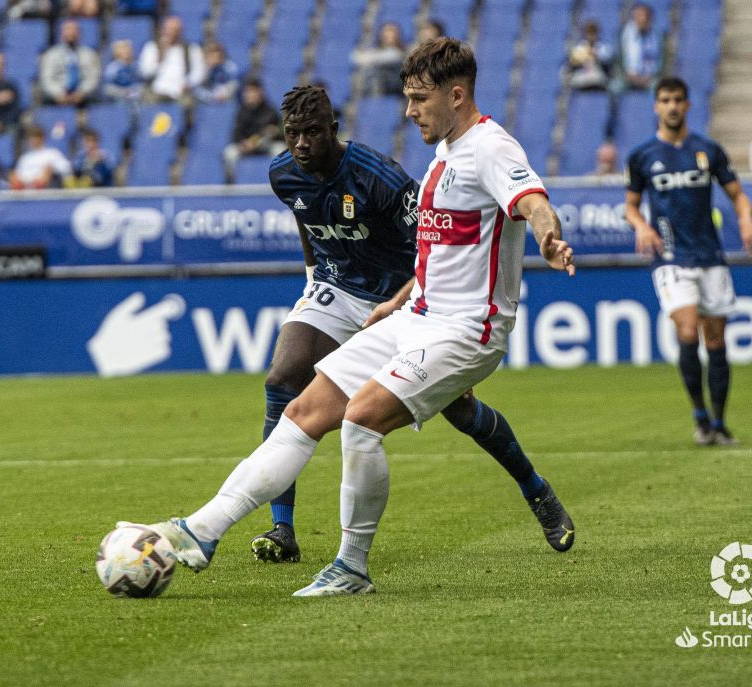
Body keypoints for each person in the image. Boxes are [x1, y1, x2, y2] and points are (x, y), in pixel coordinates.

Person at [119, 39, 576, 596]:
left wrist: (549, 234)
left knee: (361, 418)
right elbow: (433, 250)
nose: (409, 112)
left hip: (466, 329)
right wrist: (400, 300)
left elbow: (531, 199)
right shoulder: (445, 156)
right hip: (416, 313)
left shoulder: (489, 148)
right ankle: (201, 531)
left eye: (418, 99)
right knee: (304, 407)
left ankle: (352, 567)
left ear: (456, 96)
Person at [248, 84, 574, 564]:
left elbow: (427, 245)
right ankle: (282, 529)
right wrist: (313, 277)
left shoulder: (380, 177)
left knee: (460, 411)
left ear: (333, 130)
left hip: (403, 294)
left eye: (312, 133)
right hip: (337, 288)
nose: (301, 144)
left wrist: (411, 303)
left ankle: (535, 487)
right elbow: (307, 218)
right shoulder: (283, 174)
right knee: (283, 378)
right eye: (292, 134)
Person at [624, 76, 752, 446]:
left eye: (678, 100)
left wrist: (746, 219)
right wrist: (641, 225)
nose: (672, 106)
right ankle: (700, 417)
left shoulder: (708, 151)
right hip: (671, 257)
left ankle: (719, 423)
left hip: (710, 255)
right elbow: (630, 206)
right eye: (665, 100)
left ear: (687, 105)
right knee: (688, 331)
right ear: (656, 106)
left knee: (716, 340)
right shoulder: (642, 156)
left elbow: (738, 195)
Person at [222, 78, 282, 183]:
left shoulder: (270, 111)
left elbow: (280, 133)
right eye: (247, 92)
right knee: (229, 152)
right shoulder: (241, 111)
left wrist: (273, 133)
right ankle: (230, 184)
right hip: (245, 146)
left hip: (265, 145)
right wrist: (243, 143)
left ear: (260, 92)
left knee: (280, 150)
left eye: (252, 91)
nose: (249, 95)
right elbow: (236, 134)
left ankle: (280, 183)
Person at [137, 15, 205, 103]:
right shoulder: (151, 47)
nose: (172, 33)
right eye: (169, 29)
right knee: (146, 100)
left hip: (181, 91)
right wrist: (160, 56)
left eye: (175, 30)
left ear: (181, 31)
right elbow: (145, 72)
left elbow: (199, 72)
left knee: (189, 102)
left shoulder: (192, 49)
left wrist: (189, 83)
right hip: (157, 90)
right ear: (163, 30)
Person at [39, 19, 101, 107]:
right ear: (61, 34)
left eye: (74, 30)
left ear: (79, 34)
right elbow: (47, 79)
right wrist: (59, 94)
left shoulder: (89, 54)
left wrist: (81, 93)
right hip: (57, 97)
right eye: (67, 30)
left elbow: (93, 78)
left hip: (83, 97)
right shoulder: (51, 54)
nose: (71, 33)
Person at [613, 3, 662, 92]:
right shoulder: (624, 35)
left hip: (650, 78)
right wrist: (627, 75)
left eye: (645, 16)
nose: (642, 19)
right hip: (628, 78)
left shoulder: (658, 36)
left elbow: (662, 61)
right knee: (614, 88)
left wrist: (651, 76)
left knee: (659, 88)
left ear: (650, 18)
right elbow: (618, 60)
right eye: (638, 16)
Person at [9, 123, 72, 189]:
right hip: (26, 191)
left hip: (47, 190)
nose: (33, 140)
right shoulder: (24, 157)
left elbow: (67, 169)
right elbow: (19, 176)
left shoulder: (52, 153)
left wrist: (52, 168)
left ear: (42, 138)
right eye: (31, 137)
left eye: (36, 137)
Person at [352, 22, 406, 97]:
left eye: (392, 31)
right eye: (386, 31)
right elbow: (356, 58)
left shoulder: (400, 52)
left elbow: (392, 56)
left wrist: (368, 57)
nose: (389, 35)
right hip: (372, 89)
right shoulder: (376, 51)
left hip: (394, 91)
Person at [567, 20, 614, 91]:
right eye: (589, 33)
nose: (591, 36)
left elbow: (608, 59)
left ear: (598, 34)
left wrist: (596, 55)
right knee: (574, 79)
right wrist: (584, 56)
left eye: (594, 33)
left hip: (598, 75)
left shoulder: (604, 48)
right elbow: (573, 62)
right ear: (585, 34)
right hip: (583, 75)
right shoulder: (579, 48)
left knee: (603, 78)